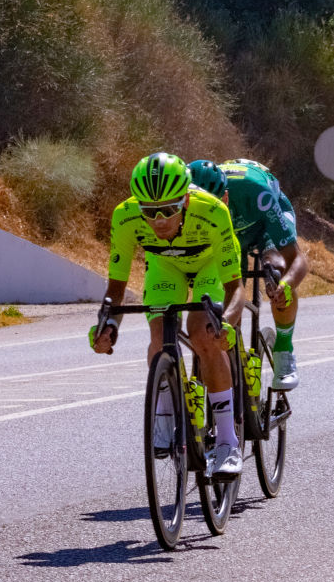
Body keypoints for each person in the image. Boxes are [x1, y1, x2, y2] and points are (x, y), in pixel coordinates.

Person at [92, 153, 246, 478]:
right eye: (150, 211)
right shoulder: (124, 217)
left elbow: (235, 288)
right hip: (166, 266)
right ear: (138, 205)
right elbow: (115, 291)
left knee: (204, 333)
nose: (159, 220)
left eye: (169, 209)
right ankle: (163, 415)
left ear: (186, 198)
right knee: (159, 334)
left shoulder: (214, 212)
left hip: (210, 266)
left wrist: (227, 325)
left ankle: (228, 443)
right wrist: (107, 325)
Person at [186, 158, 307, 391]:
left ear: (226, 197)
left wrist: (287, 284)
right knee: (228, 290)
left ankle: (283, 350)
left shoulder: (257, 194)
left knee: (277, 269)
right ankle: (235, 358)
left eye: (216, 204)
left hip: (263, 224)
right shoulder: (191, 208)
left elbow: (297, 259)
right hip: (229, 236)